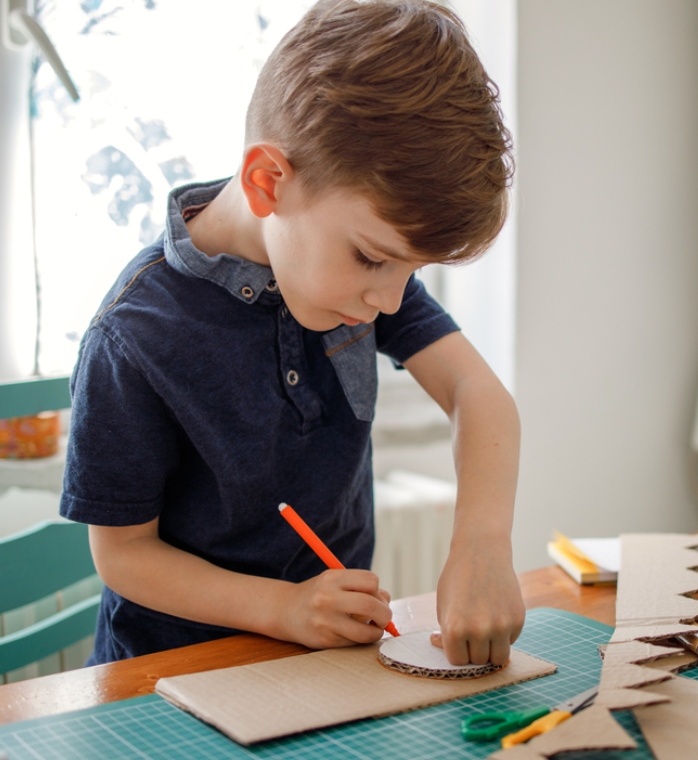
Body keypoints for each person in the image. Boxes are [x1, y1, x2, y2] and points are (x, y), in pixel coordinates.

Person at [60, 0, 524, 668]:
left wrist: (483, 542)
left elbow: (476, 390)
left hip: (321, 665)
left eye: (409, 270)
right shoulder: (133, 337)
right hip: (171, 681)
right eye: (374, 259)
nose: (386, 301)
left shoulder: (349, 272)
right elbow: (125, 558)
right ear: (267, 181)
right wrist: (282, 609)